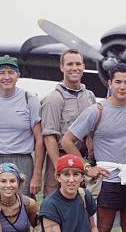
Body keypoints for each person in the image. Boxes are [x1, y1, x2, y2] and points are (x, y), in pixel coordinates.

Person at [62, 63, 126, 232]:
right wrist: (86, 168)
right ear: (109, 83)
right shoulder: (96, 111)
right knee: (103, 228)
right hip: (107, 178)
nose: (122, 87)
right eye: (118, 82)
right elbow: (67, 141)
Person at [0, 55, 44, 198]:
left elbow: (39, 139)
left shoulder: (29, 99)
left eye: (11, 72)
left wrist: (37, 174)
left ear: (18, 75)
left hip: (21, 160)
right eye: (1, 73)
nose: (6, 77)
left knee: (23, 206)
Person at [40, 49, 97, 196]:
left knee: (84, 201)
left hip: (83, 159)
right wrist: (59, 169)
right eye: (70, 64)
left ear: (83, 66)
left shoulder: (89, 96)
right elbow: (49, 138)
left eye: (78, 64)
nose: (74, 68)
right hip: (60, 157)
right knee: (56, 203)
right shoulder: (54, 99)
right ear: (62, 67)